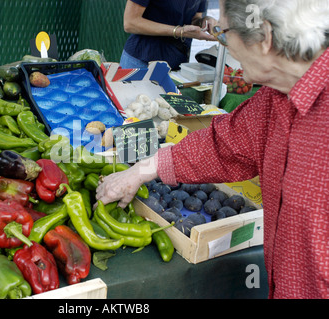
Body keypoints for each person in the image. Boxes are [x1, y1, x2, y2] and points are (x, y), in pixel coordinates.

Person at [97, 0, 329, 299]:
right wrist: (141, 171)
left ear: (266, 36)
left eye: (223, 31)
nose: (223, 43)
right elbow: (224, 144)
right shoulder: (275, 99)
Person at [120, 0, 218, 70]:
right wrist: (178, 31)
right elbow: (130, 23)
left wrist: (205, 22)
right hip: (143, 59)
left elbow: (195, 18)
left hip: (178, 63)